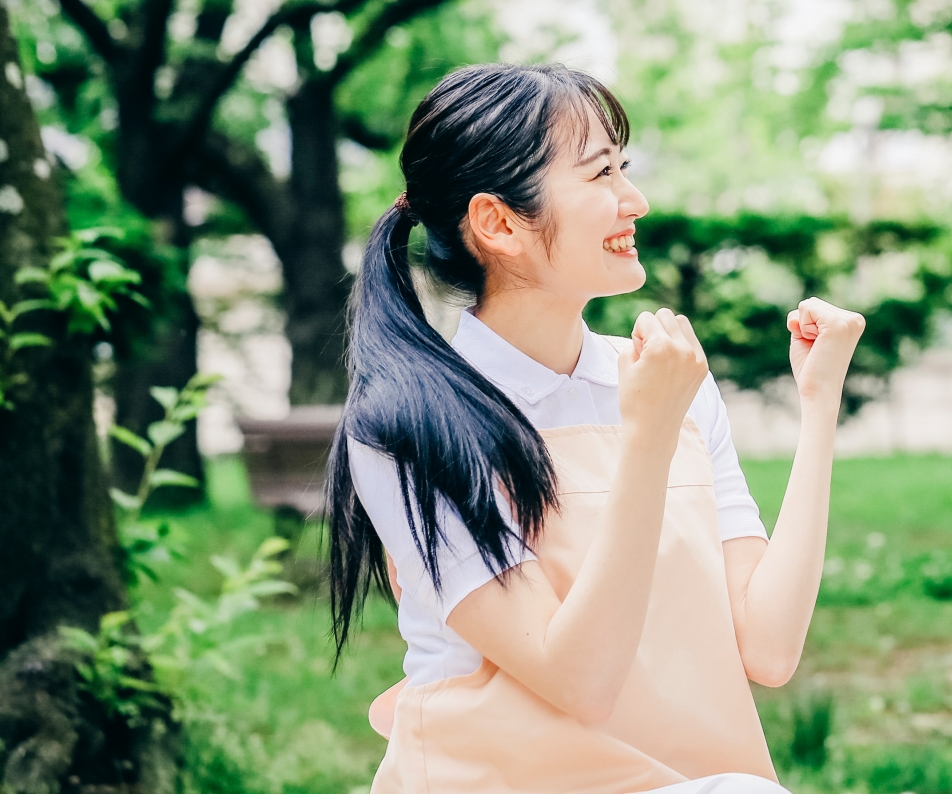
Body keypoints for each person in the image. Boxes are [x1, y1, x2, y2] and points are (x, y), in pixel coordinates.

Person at [325, 63, 864, 794]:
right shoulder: (412, 426)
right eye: (601, 174)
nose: (633, 200)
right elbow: (577, 681)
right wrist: (645, 439)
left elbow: (768, 648)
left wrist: (819, 405)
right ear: (499, 223)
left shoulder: (662, 381)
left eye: (625, 169)